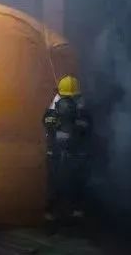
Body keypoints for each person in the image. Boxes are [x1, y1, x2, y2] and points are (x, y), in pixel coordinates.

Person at [43, 75, 92, 221]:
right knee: (56, 181)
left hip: (72, 151)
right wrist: (58, 121)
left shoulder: (80, 108)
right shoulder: (54, 107)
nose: (68, 101)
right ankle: (52, 213)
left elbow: (86, 127)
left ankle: (74, 211)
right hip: (57, 151)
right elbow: (47, 122)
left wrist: (74, 122)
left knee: (74, 180)